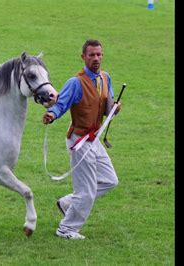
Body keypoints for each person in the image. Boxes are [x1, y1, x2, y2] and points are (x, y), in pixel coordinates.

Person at [42, 39, 121, 240]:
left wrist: (114, 108)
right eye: (92, 55)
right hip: (80, 141)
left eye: (99, 54)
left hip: (94, 138)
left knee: (110, 180)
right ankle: (66, 229)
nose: (96, 58)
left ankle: (68, 203)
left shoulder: (105, 78)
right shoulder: (75, 82)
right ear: (83, 57)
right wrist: (52, 114)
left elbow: (107, 104)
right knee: (85, 191)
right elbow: (62, 104)